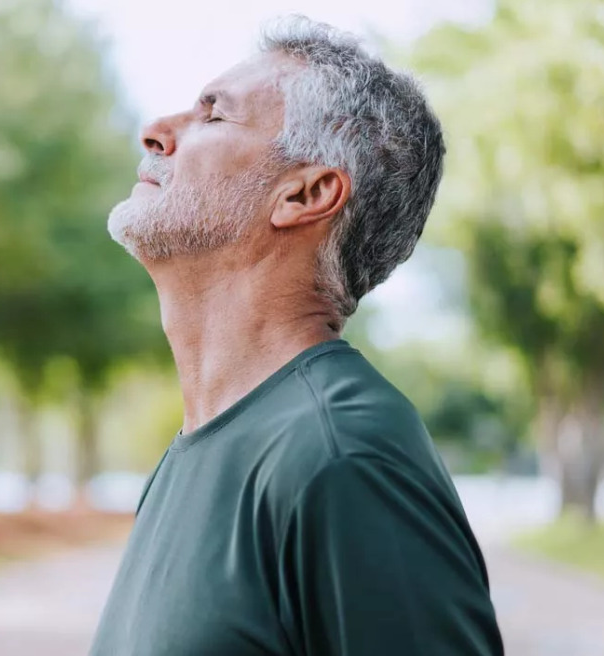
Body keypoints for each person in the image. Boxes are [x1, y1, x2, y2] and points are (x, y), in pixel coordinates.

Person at [89, 15, 504, 656]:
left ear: (306, 194)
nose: (156, 132)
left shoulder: (343, 455)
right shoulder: (199, 446)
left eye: (214, 115)